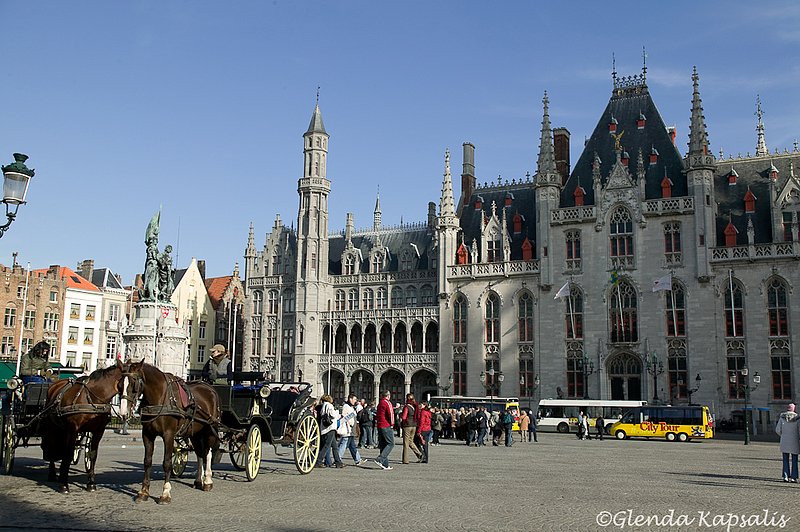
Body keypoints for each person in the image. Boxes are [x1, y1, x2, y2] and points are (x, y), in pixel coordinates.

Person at [338, 394, 368, 466]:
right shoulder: (346, 406)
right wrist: (350, 423)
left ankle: (358, 460)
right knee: (343, 445)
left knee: (352, 446)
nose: (355, 401)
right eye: (354, 399)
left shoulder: (351, 407)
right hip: (347, 429)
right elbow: (344, 417)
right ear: (350, 399)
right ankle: (338, 459)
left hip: (351, 430)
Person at [316, 394, 345, 469]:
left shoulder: (323, 405)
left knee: (335, 446)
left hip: (325, 428)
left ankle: (338, 462)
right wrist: (337, 412)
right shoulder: (329, 405)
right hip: (330, 428)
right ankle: (318, 461)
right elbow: (333, 415)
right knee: (326, 446)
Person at [776, 403, 799, 482]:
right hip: (794, 440)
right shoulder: (797, 418)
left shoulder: (782, 418)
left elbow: (778, 430)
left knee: (785, 459)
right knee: (794, 460)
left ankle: (785, 476)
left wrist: (783, 435)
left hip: (784, 441)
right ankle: (793, 477)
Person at [374, 390, 395, 470]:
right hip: (386, 425)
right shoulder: (387, 403)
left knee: (383, 445)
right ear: (388, 396)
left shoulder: (380, 403)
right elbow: (391, 414)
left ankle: (385, 464)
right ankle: (380, 459)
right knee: (391, 443)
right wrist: (392, 424)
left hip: (379, 425)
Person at [400, 393, 423, 464]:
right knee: (410, 441)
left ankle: (405, 460)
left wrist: (400, 415)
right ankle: (419, 454)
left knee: (406, 443)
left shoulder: (407, 407)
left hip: (407, 426)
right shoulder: (415, 406)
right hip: (414, 425)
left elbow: (404, 417)